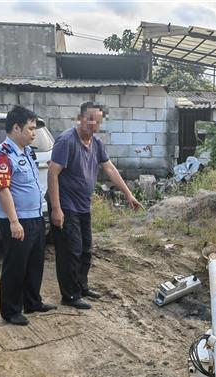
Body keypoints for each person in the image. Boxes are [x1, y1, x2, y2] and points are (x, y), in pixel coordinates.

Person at [47, 102, 143, 310]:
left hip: (83, 204)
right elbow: (52, 173)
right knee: (70, 250)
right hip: (65, 203)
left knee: (86, 249)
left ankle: (81, 286)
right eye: (90, 119)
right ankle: (70, 295)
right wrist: (56, 208)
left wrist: (128, 195)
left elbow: (109, 168)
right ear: (80, 118)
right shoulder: (66, 141)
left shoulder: (97, 143)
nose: (93, 124)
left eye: (97, 121)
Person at [0, 106, 56, 326]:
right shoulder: (2, 154)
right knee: (16, 266)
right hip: (19, 220)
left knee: (35, 263)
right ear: (16, 128)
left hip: (35, 217)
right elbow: (2, 189)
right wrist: (14, 221)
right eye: (30, 128)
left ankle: (32, 301)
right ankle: (11, 309)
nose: (34, 133)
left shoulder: (27, 151)